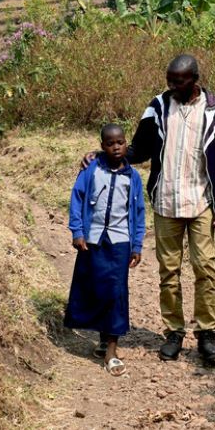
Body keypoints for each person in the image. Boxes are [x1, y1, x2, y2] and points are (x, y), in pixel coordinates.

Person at [83, 54, 215, 362]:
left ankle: (206, 334)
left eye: (178, 82)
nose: (172, 86)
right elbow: (137, 149)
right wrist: (101, 156)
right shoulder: (158, 106)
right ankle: (174, 333)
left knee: (205, 268)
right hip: (165, 202)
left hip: (201, 202)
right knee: (169, 271)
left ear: (194, 80)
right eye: (169, 80)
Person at [65, 123, 146, 376]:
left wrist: (137, 245)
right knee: (95, 289)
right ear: (102, 146)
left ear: (126, 143)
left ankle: (112, 350)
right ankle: (102, 340)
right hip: (93, 239)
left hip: (120, 241)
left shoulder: (133, 177)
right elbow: (77, 199)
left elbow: (139, 213)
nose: (116, 147)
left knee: (116, 292)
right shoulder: (91, 170)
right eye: (110, 144)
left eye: (120, 142)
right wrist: (77, 231)